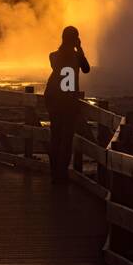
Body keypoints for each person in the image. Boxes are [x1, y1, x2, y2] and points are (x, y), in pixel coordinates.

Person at [44, 26, 91, 184]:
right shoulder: (77, 57)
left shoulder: (53, 56)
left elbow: (59, 68)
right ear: (75, 39)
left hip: (53, 99)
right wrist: (80, 48)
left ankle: (54, 172)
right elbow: (86, 69)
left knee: (55, 136)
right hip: (68, 101)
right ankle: (61, 173)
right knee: (66, 138)